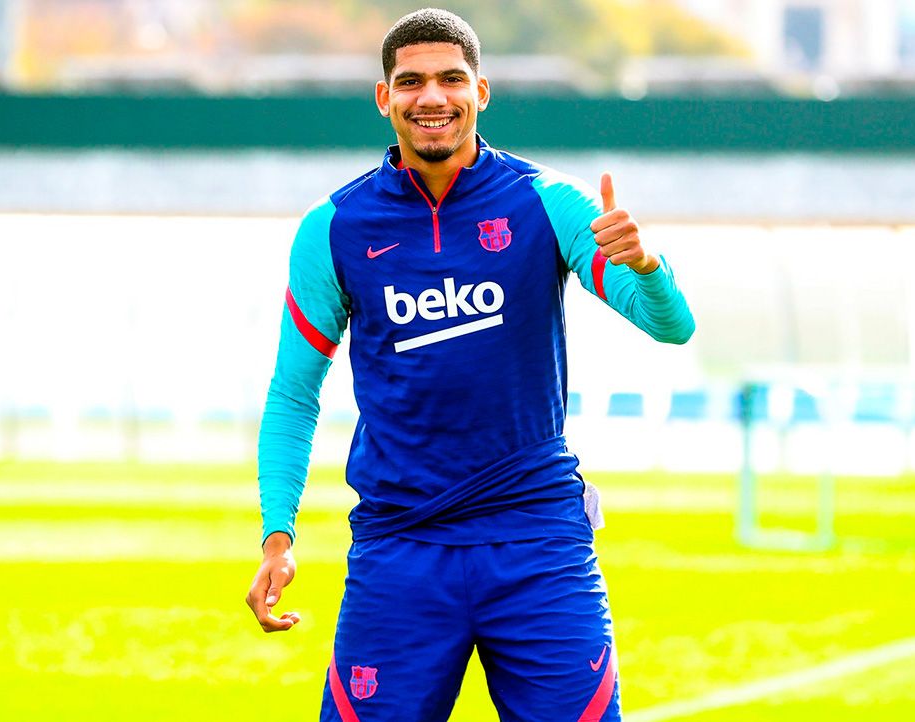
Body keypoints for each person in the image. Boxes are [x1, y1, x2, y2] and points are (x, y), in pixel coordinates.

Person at [246, 8, 694, 721]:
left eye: (452, 79)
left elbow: (673, 327)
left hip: (537, 543)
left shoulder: (548, 203)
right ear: (384, 97)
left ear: (481, 92)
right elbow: (294, 394)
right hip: (401, 549)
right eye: (412, 81)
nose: (432, 97)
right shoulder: (333, 227)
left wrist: (648, 263)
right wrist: (278, 534)